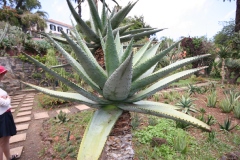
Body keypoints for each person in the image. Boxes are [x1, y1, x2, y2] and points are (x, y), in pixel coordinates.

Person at [0, 66, 17, 160]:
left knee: (3, 141)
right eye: (2, 74)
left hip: (4, 115)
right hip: (3, 117)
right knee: (3, 141)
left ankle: (9, 157)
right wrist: (8, 99)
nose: (3, 76)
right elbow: (4, 103)